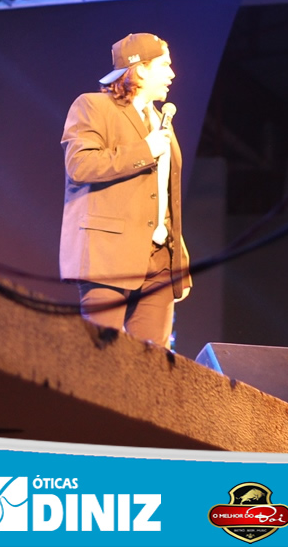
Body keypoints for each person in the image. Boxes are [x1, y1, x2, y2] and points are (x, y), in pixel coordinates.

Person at [59, 32, 191, 349]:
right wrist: (145, 150)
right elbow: (80, 165)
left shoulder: (160, 121)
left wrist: (179, 258)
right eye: (165, 65)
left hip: (160, 262)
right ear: (141, 69)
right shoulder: (93, 106)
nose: (172, 74)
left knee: (153, 364)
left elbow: (164, 196)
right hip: (108, 256)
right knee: (102, 358)